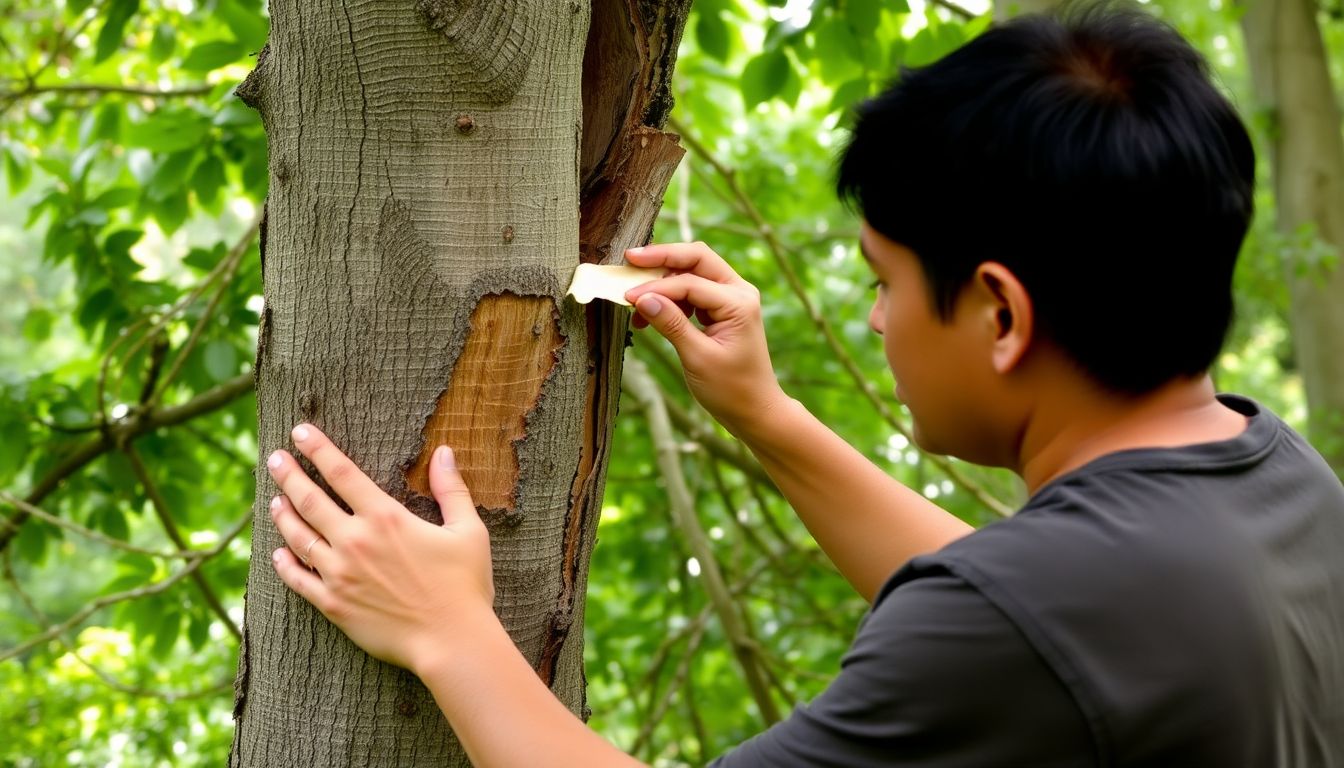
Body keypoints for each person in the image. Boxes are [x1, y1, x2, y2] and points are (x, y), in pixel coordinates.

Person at [261, 2, 1344, 765]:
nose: (875, 319)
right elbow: (1062, 629)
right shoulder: (1280, 486)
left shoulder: (1020, 623)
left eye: (887, 283)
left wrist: (451, 633)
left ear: (1001, 314)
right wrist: (768, 418)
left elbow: (1024, 623)